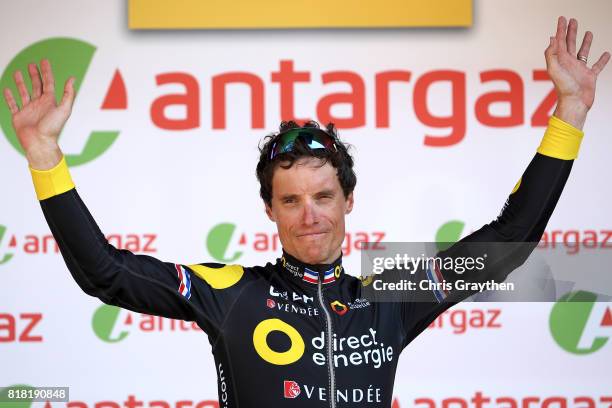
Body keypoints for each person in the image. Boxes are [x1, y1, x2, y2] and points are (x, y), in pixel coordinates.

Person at [3, 16, 609, 408]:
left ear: (349, 201)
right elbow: (104, 273)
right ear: (269, 210)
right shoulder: (232, 291)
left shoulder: (389, 291)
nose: (309, 215)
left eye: (323, 197)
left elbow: (508, 243)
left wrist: (571, 116)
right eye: (290, 200)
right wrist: (46, 157)